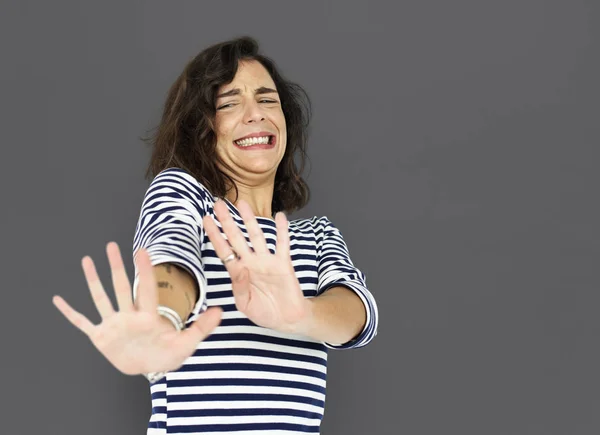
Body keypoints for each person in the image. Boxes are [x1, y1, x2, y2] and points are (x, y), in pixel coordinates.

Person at [52, 36, 379, 434]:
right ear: (201, 131)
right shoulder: (184, 195)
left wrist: (300, 314)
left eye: (267, 99)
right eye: (227, 103)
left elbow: (359, 316)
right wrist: (161, 319)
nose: (254, 113)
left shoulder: (317, 235)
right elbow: (171, 256)